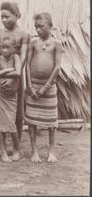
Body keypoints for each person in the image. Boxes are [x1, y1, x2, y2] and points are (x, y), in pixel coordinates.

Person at [25, 13, 63, 163]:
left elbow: (57, 67)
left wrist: (46, 87)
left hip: (49, 87)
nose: (38, 29)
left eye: (41, 26)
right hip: (33, 86)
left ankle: (51, 151)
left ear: (50, 26)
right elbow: (27, 65)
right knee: (32, 121)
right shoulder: (33, 42)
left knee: (51, 122)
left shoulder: (57, 44)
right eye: (36, 27)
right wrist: (29, 85)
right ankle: (34, 151)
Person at [0, 2, 29, 141]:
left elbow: (23, 56)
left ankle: (16, 144)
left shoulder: (23, 35)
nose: (4, 19)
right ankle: (3, 144)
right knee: (0, 111)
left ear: (17, 15)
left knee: (17, 111)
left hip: (16, 78)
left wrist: (14, 78)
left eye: (7, 16)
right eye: (2, 17)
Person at [0, 37, 22, 162]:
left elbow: (18, 73)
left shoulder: (16, 58)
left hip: (11, 97)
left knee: (11, 124)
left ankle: (17, 149)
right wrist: (7, 70)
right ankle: (3, 151)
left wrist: (2, 74)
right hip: (0, 94)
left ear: (14, 49)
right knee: (1, 125)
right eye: (2, 47)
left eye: (8, 48)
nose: (4, 50)